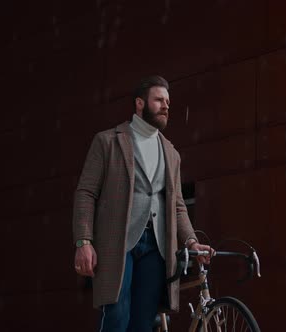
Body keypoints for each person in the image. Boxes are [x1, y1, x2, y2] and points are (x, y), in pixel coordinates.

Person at [72, 75, 213, 332]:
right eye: (159, 100)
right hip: (117, 243)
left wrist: (191, 241)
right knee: (116, 316)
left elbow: (178, 206)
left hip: (156, 248)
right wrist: (84, 241)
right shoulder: (107, 141)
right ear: (140, 103)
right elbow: (85, 192)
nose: (166, 106)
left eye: (168, 101)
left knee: (143, 323)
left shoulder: (172, 153)